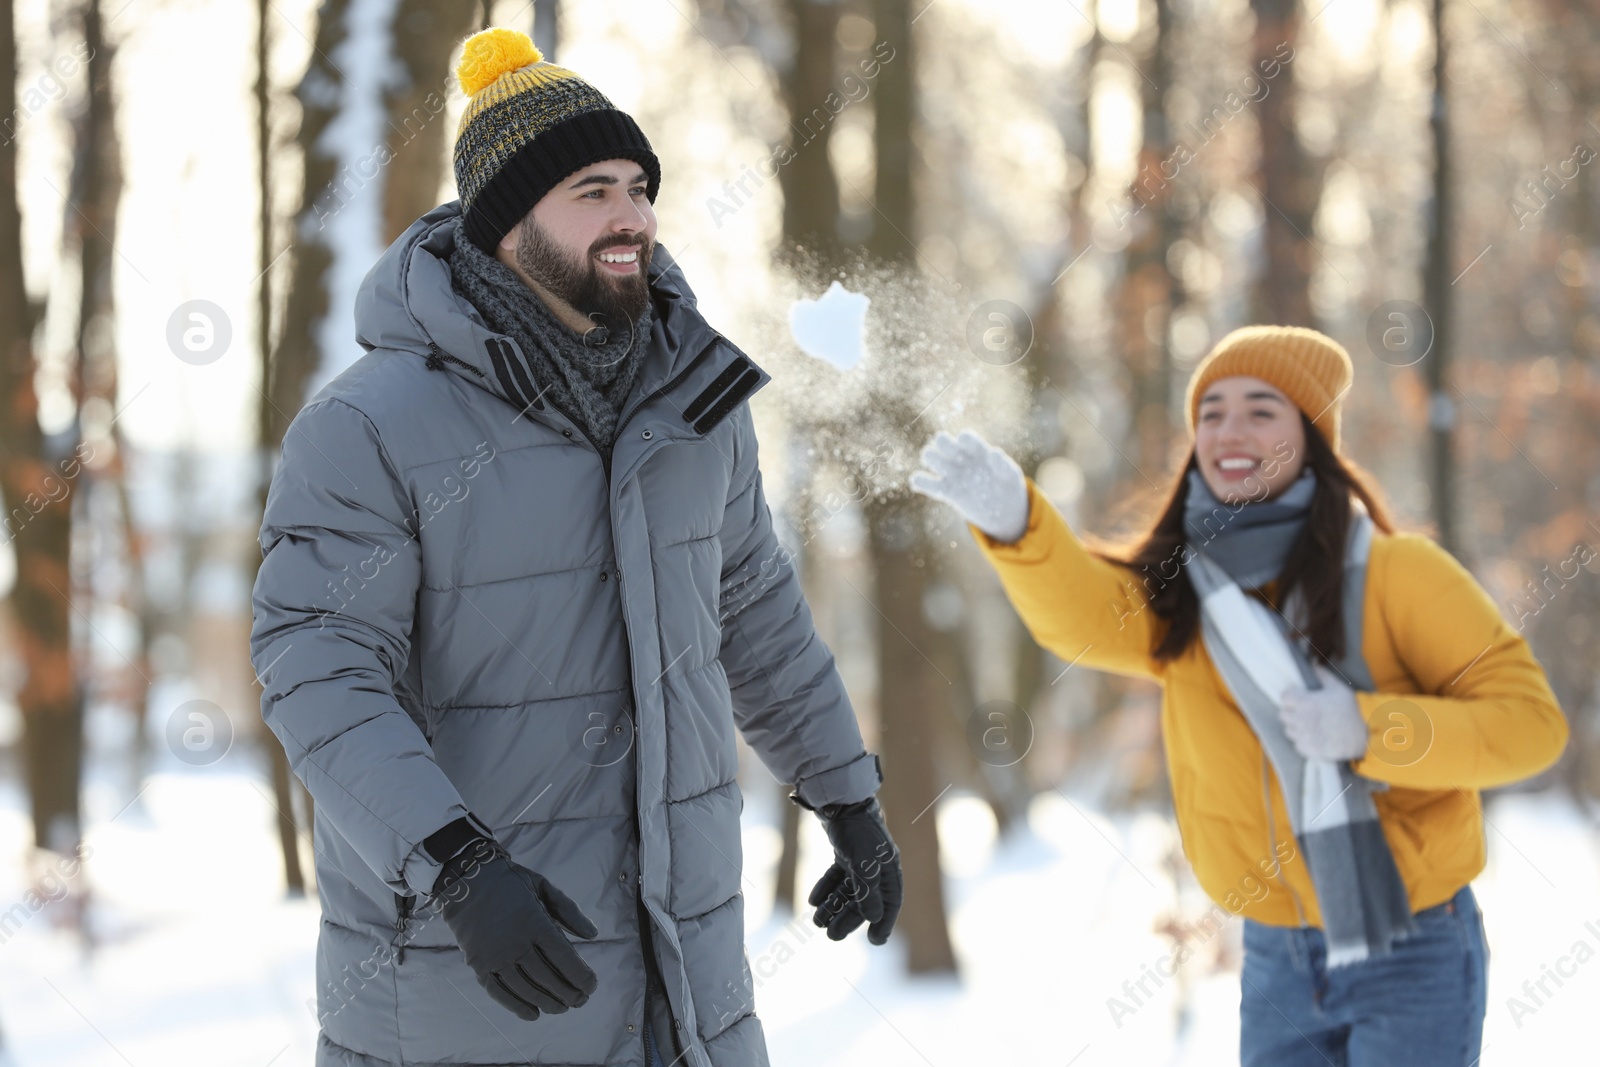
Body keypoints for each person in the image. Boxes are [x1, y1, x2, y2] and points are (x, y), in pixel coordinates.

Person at [250, 28, 901, 1067]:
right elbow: (316, 671)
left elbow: (753, 609)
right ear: (506, 219)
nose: (633, 215)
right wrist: (456, 863)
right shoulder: (370, 426)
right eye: (592, 189)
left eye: (639, 186)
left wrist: (846, 793)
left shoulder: (694, 405)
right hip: (469, 986)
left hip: (684, 989)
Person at [911, 325, 1568, 1066]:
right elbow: (1088, 618)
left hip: (1410, 945)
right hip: (1276, 955)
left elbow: (1531, 725)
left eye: (1262, 409)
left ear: (1311, 436)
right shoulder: (1184, 595)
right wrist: (1017, 524)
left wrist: (1367, 728)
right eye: (1211, 411)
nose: (1229, 429)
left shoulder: (1401, 574)